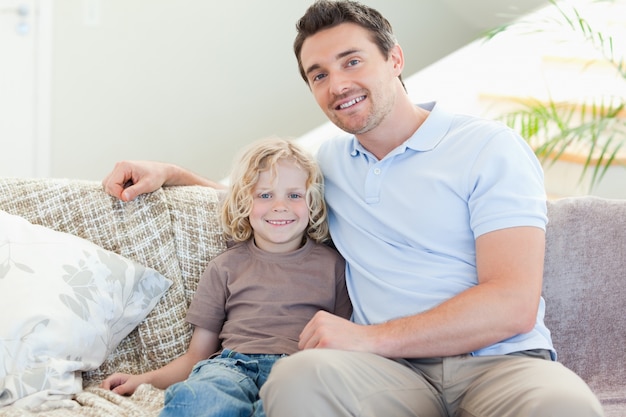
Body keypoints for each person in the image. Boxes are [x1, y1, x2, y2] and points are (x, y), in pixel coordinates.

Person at [102, 1, 604, 416]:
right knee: (298, 377)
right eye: (317, 74)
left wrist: (368, 337)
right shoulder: (331, 163)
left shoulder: (489, 148)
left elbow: (512, 303)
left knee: (566, 407)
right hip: (390, 376)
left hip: (501, 364)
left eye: (351, 61)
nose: (336, 84)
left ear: (395, 59)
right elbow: (267, 200)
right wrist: (171, 173)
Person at [100, 137, 352, 417]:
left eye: (294, 195)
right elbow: (196, 356)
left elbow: (341, 344)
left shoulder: (333, 265)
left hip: (299, 369)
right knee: (200, 397)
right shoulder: (225, 267)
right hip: (231, 367)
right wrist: (142, 380)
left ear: (313, 202)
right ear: (243, 202)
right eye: (265, 195)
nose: (280, 206)